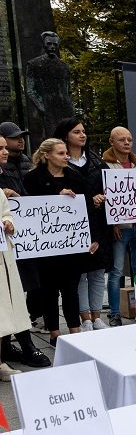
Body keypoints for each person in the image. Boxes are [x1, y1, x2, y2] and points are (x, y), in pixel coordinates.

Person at [24, 138, 100, 346]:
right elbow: (29, 208)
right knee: (48, 289)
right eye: (60, 153)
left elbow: (88, 208)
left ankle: (74, 330)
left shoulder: (75, 177)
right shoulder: (32, 178)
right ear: (47, 155)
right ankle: (54, 333)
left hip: (71, 245)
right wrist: (56, 196)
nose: (66, 156)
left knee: (70, 289)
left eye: (66, 153)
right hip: (46, 247)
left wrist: (93, 237)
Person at [53, 118, 108, 331]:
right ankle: (84, 317)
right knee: (80, 273)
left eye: (84, 131)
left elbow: (108, 188)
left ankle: (96, 316)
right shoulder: (59, 162)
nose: (82, 135)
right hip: (71, 226)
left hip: (97, 223)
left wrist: (100, 198)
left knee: (97, 271)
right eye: (77, 132)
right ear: (65, 136)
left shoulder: (95, 161)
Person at [0, 137, 50, 369]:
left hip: (6, 255)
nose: (4, 152)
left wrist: (9, 223)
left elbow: (6, 213)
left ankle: (15, 347)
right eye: (0, 148)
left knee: (13, 300)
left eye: (4, 147)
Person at [102, 127, 136, 326]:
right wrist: (113, 222)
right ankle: (114, 313)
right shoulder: (104, 166)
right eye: (122, 139)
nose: (127, 143)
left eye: (130, 139)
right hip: (120, 226)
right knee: (116, 272)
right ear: (111, 141)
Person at [0, 121, 44, 333]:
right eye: (14, 137)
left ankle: (31, 315)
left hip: (27, 229)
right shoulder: (3, 168)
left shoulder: (26, 162)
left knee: (32, 278)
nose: (20, 140)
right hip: (11, 235)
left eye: (21, 136)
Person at [25, 32, 75, 139]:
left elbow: (68, 90)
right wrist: (41, 107)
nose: (52, 47)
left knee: (70, 139)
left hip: (66, 108)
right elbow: (31, 90)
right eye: (49, 44)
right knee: (54, 141)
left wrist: (71, 106)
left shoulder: (64, 66)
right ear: (43, 44)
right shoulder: (34, 64)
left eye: (55, 44)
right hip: (48, 108)